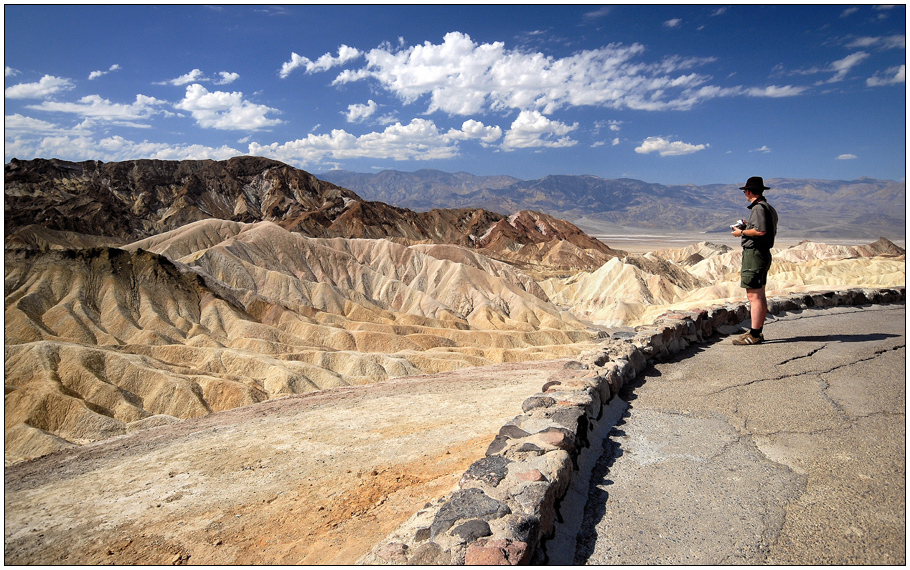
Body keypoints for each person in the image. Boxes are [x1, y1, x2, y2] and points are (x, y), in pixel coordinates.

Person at [731, 176, 778, 345]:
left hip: (755, 255)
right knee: (760, 295)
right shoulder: (769, 208)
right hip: (763, 254)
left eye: (745, 191)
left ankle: (755, 335)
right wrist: (747, 227)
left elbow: (761, 231)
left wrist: (741, 232)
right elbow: (768, 232)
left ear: (749, 191)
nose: (744, 194)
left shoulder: (758, 208)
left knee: (754, 296)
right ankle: (756, 331)